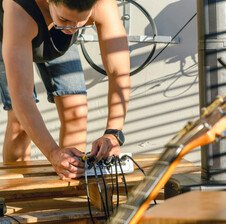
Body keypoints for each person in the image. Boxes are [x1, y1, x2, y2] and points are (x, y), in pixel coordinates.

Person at [0, 0, 130, 181]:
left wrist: (113, 133)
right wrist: (53, 153)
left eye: (81, 21)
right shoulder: (18, 9)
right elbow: (22, 95)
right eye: (65, 19)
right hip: (9, 32)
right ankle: (16, 194)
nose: (72, 28)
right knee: (19, 125)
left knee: (76, 110)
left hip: (55, 37)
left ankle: (71, 181)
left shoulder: (102, 4)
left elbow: (119, 72)